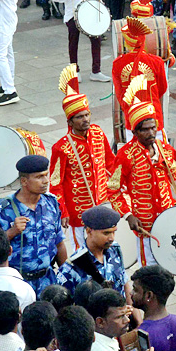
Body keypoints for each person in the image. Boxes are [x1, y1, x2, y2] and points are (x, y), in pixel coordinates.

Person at [108, 76, 176, 267]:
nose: (151, 133)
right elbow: (113, 191)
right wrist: (127, 215)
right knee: (149, 272)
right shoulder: (125, 156)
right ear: (135, 132)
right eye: (145, 130)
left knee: (168, 269)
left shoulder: (164, 149)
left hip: (167, 219)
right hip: (145, 226)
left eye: (153, 128)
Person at [49, 66, 115, 247]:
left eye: (87, 115)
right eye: (79, 117)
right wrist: (63, 212)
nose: (85, 119)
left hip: (102, 205)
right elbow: (55, 184)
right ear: (70, 121)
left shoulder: (98, 133)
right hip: (78, 214)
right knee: (83, 253)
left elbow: (111, 164)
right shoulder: (61, 147)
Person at [0, 155, 68, 295]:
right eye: (39, 177)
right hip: (16, 284)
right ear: (24, 181)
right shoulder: (2, 210)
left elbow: (59, 243)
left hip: (47, 282)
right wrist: (11, 232)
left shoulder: (51, 203)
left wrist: (66, 276)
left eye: (46, 176)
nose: (46, 181)